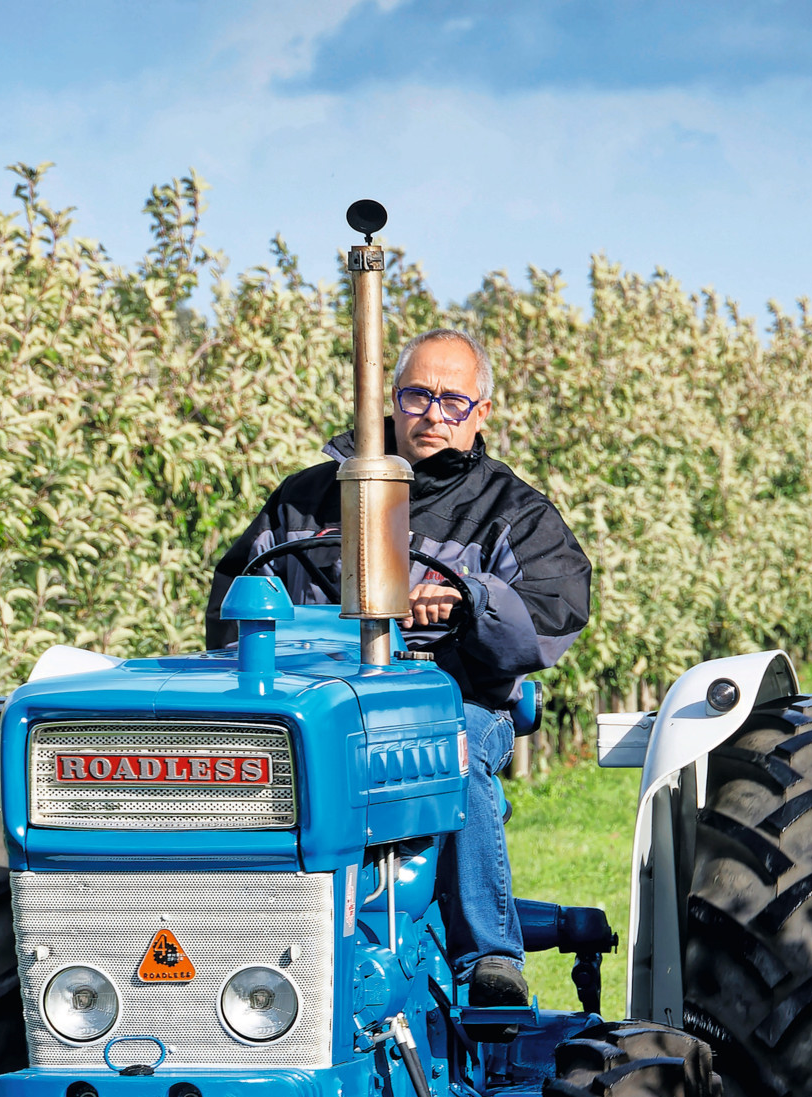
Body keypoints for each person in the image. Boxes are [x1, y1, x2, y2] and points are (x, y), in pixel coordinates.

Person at [208, 327, 591, 1007]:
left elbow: (552, 614)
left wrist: (469, 601)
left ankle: (488, 959)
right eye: (418, 395)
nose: (433, 414)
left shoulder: (512, 512)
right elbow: (234, 599)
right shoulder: (308, 500)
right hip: (317, 707)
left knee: (459, 746)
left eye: (453, 400)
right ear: (390, 399)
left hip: (456, 698)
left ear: (482, 412)